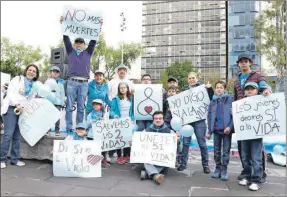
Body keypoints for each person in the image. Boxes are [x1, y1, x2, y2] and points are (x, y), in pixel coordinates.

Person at [234, 53, 271, 182]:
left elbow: (265, 87)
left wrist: (267, 90)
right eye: (241, 61)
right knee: (243, 149)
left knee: (257, 150)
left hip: (255, 117)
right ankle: (246, 173)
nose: (243, 63)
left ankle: (260, 174)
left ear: (250, 62)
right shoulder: (237, 78)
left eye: (246, 61)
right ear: (238, 64)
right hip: (242, 117)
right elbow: (236, 96)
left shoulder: (257, 75)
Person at [60, 16, 97, 133]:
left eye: (81, 43)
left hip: (84, 83)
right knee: (69, 107)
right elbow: (66, 39)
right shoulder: (70, 51)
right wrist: (62, 25)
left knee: (81, 108)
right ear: (75, 44)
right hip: (71, 82)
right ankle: (69, 128)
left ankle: (80, 128)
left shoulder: (88, 52)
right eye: (77, 43)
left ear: (84, 45)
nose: (79, 44)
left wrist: (98, 26)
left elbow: (93, 40)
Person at [1, 64, 40, 169]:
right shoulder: (17, 79)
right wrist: (18, 105)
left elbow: (31, 99)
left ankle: (15, 159)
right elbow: (10, 93)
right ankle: (2, 159)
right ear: (26, 71)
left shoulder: (35, 85)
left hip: (23, 111)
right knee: (8, 135)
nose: (31, 72)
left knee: (17, 136)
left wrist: (25, 109)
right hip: (11, 108)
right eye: (30, 70)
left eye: (34, 71)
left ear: (36, 74)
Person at [177, 72, 214, 173]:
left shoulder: (203, 89)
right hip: (188, 121)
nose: (192, 80)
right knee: (186, 143)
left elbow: (211, 97)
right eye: (190, 78)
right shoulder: (184, 92)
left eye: (193, 78)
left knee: (202, 143)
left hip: (199, 120)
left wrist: (210, 88)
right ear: (187, 80)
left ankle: (205, 165)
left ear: (197, 79)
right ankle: (183, 164)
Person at [238, 82, 264, 191]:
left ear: (257, 90)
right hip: (245, 134)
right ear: (244, 91)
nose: (249, 91)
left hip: (257, 135)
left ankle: (256, 180)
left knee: (256, 158)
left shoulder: (263, 101)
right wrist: (234, 112)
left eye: (252, 89)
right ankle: (247, 176)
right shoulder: (240, 103)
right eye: (247, 89)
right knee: (245, 157)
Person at [206, 81, 234, 181]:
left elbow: (234, 116)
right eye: (217, 87)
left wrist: (230, 127)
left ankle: (224, 169)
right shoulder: (213, 101)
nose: (219, 89)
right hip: (216, 131)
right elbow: (210, 117)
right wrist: (209, 131)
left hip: (227, 131)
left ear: (225, 89)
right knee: (216, 151)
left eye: (221, 87)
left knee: (226, 152)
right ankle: (218, 168)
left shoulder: (231, 100)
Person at [140, 111, 174, 185]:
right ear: (153, 120)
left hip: (162, 159)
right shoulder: (146, 131)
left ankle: (147, 173)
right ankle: (155, 175)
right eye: (156, 118)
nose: (158, 120)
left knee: (167, 158)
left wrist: (177, 141)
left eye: (160, 118)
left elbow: (176, 146)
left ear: (163, 120)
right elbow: (139, 143)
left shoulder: (170, 132)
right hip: (149, 158)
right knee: (145, 158)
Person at [110, 82, 135, 164]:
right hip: (119, 121)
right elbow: (111, 111)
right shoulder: (115, 99)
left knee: (128, 138)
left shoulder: (132, 98)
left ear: (127, 88)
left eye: (124, 87)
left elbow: (134, 110)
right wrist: (115, 116)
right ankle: (119, 156)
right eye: (121, 88)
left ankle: (126, 155)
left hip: (129, 121)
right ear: (119, 89)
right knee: (119, 139)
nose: (123, 89)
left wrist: (133, 119)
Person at [86, 99, 109, 167]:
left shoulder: (104, 114)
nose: (95, 106)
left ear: (101, 106)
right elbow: (87, 124)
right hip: (92, 134)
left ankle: (103, 160)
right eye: (94, 104)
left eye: (97, 104)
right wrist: (95, 120)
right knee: (92, 149)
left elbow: (108, 123)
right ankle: (93, 161)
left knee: (103, 148)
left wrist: (104, 120)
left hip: (101, 135)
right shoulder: (90, 114)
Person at [45, 66, 65, 136]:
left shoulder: (61, 83)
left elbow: (62, 93)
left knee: (57, 117)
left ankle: (57, 130)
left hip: (58, 102)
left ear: (59, 74)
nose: (55, 73)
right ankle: (47, 130)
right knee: (49, 116)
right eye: (54, 71)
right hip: (50, 102)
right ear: (51, 72)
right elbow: (44, 91)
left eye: (57, 72)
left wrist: (62, 102)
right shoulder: (47, 81)